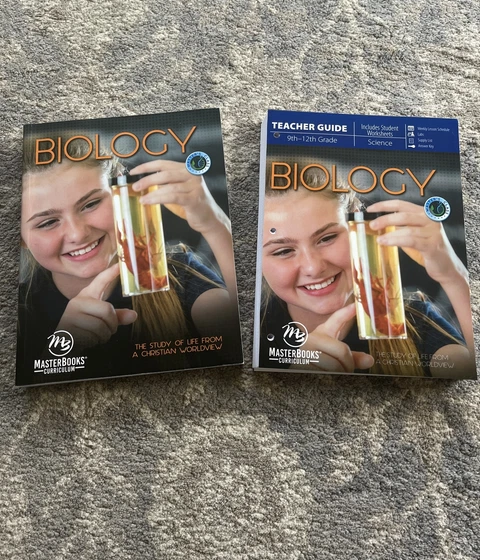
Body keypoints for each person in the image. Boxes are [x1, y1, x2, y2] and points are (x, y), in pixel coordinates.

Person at [18, 144, 241, 382]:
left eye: (91, 204)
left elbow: (239, 342)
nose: (77, 234)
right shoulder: (19, 312)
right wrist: (63, 348)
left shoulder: (178, 274)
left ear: (121, 190)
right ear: (21, 237)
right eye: (47, 223)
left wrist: (215, 225)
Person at [260, 166, 475, 378]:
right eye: (283, 251)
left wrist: (454, 276)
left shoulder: (413, 320)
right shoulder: (251, 329)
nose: (313, 268)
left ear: (358, 227)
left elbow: (468, 373)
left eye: (327, 238)